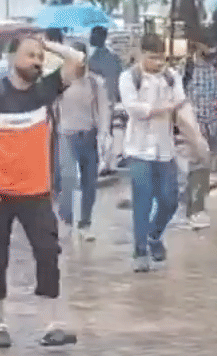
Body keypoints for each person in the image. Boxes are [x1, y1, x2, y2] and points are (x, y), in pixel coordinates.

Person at [0, 34, 85, 349]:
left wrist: (48, 45)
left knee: (48, 253)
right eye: (29, 55)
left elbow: (77, 61)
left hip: (37, 192)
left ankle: (51, 323)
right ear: (11, 57)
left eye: (39, 57)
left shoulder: (44, 91)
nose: (36, 61)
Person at [119, 33, 208, 272]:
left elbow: (182, 107)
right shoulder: (129, 78)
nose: (158, 63)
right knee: (143, 199)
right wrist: (164, 108)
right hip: (137, 149)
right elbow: (134, 109)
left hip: (164, 149)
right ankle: (140, 251)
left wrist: (197, 140)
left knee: (169, 200)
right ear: (141, 54)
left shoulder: (172, 77)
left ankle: (154, 235)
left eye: (162, 58)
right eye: (153, 58)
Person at [55, 41, 111, 241]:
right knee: (68, 179)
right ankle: (66, 219)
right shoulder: (60, 82)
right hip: (66, 135)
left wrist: (105, 134)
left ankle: (85, 222)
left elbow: (104, 109)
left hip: (89, 135)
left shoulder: (96, 82)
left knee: (89, 182)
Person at [180, 28, 217, 231]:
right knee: (198, 164)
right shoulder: (187, 67)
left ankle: (194, 204)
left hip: (211, 123)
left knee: (204, 166)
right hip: (192, 124)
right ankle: (195, 208)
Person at [86, 26, 125, 173]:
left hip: (99, 100)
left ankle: (104, 162)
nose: (90, 38)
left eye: (92, 35)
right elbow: (119, 76)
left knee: (102, 132)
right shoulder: (114, 57)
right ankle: (109, 161)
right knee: (109, 130)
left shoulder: (93, 60)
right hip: (112, 98)